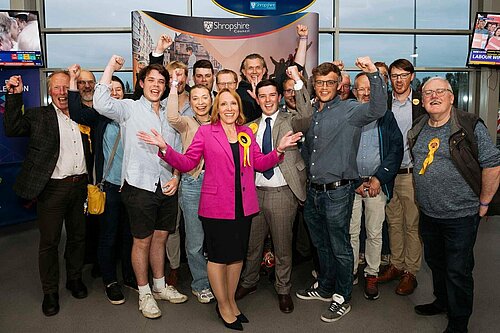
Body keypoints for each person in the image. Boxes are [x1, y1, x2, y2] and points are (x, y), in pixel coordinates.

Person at [137, 88, 302, 330]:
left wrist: (278, 150)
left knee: (236, 258)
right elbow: (188, 162)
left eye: (232, 104)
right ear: (218, 108)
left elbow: (259, 163)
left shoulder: (246, 132)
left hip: (243, 207)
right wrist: (165, 148)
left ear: (238, 108)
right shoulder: (206, 132)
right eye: (223, 104)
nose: (228, 108)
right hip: (216, 207)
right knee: (218, 258)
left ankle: (230, 301)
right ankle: (223, 305)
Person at [93, 55, 187, 319]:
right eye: (151, 80)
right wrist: (110, 66)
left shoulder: (172, 112)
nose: (156, 85)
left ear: (168, 85)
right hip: (139, 185)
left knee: (161, 238)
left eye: (161, 81)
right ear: (142, 83)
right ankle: (144, 293)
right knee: (142, 241)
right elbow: (100, 103)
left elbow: (178, 148)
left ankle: (159, 286)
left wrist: (177, 176)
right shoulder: (129, 109)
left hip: (167, 184)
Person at [295, 57, 387, 323]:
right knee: (321, 244)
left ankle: (342, 297)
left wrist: (372, 73)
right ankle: (325, 287)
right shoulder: (312, 113)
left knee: (340, 246)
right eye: (320, 82)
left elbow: (378, 108)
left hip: (337, 192)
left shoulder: (351, 110)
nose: (324, 87)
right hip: (313, 192)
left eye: (330, 82)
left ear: (339, 85)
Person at [407, 77, 500, 333]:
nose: (433, 96)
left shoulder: (469, 125)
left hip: (461, 215)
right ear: (422, 99)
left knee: (458, 270)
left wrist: (484, 203)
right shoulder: (419, 127)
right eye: (428, 93)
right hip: (429, 212)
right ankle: (443, 301)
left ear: (451, 97)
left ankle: (459, 323)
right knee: (436, 262)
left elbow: (492, 164)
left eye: (440, 91)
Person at [4, 71, 92, 316]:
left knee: (77, 237)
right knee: (49, 242)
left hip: (81, 187)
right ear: (50, 91)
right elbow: (12, 127)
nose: (63, 93)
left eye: (67, 87)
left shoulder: (84, 115)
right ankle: (50, 291)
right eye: (57, 88)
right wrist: (15, 95)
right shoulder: (38, 116)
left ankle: (74, 279)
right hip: (52, 189)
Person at [235, 67, 312, 314]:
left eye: (272, 95)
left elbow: (307, 114)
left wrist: (298, 81)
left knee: (282, 246)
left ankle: (283, 289)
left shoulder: (291, 119)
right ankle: (249, 282)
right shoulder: (249, 127)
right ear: (256, 100)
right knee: (253, 245)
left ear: (279, 96)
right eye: (262, 96)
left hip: (282, 192)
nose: (267, 100)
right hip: (255, 193)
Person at [68, 65, 136, 304]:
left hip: (133, 187)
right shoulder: (99, 118)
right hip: (109, 187)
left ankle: (129, 275)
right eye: (111, 90)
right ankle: (110, 281)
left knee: (130, 236)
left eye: (119, 90)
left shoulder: (133, 115)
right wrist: (72, 82)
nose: (115, 93)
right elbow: (76, 112)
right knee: (107, 236)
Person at [349, 72, 403, 300]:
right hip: (352, 185)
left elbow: (395, 150)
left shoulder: (386, 117)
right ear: (354, 91)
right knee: (350, 232)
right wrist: (354, 182)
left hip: (376, 185)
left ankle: (371, 273)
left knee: (374, 232)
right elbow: (340, 152)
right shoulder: (348, 114)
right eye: (361, 88)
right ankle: (349, 272)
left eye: (370, 88)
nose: (366, 93)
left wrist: (379, 178)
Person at [378, 59, 426, 296]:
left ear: (411, 76)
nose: (398, 80)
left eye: (403, 75)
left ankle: (411, 271)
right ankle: (396, 264)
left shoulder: (420, 103)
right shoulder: (384, 103)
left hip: (410, 173)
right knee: (393, 221)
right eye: (394, 75)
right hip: (388, 175)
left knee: (412, 225)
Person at [167, 69, 215, 303]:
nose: (200, 102)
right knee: (195, 239)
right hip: (193, 183)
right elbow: (171, 117)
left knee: (215, 238)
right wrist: (175, 84)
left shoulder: (220, 122)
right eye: (194, 98)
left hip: (217, 185)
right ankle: (200, 283)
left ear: (212, 99)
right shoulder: (186, 122)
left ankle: (217, 281)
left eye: (204, 97)